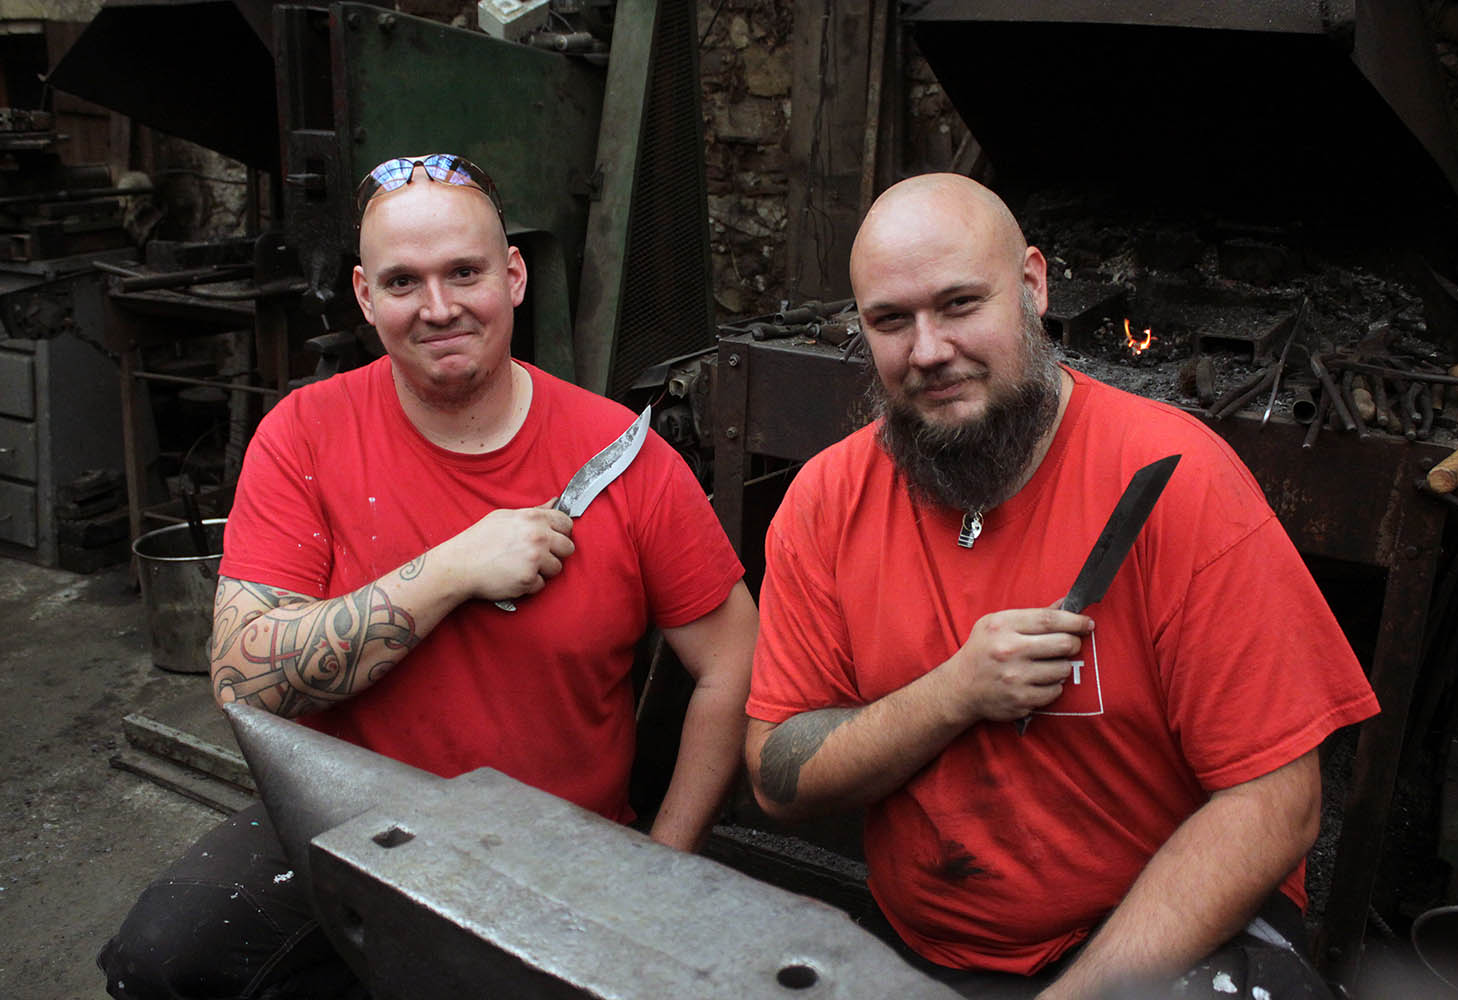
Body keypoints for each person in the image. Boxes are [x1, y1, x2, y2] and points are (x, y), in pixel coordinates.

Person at [100, 154, 758, 999]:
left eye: (464, 273)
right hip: (346, 831)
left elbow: (733, 662)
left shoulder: (623, 457)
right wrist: (448, 571)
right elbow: (243, 680)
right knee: (162, 959)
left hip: (558, 851)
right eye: (403, 281)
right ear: (364, 296)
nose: (439, 307)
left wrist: (663, 869)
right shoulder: (304, 434)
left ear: (513, 277)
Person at [743, 173, 1379, 1000]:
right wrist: (955, 693)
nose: (928, 351)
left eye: (960, 304)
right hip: (934, 950)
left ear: (1034, 286)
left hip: (1160, 948)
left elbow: (1278, 804)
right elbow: (777, 780)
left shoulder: (1181, 481)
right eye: (891, 321)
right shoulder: (828, 501)